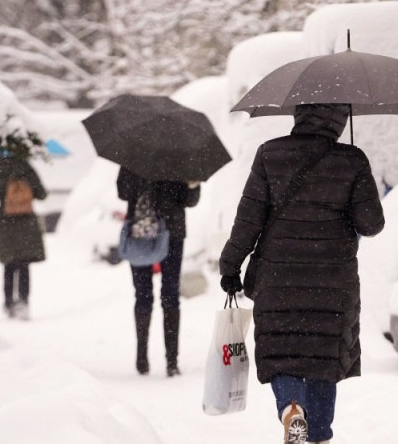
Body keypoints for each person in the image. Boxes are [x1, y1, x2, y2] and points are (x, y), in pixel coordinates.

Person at [219, 104, 384, 444]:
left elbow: (248, 218)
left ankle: (291, 409)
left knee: (284, 353)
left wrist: (230, 264)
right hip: (332, 282)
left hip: (277, 277)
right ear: (340, 120)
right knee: (323, 356)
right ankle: (320, 434)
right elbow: (372, 225)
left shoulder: (270, 154)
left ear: (299, 114)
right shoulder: (352, 160)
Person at [117, 168, 200, 377]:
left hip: (143, 230)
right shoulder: (179, 158)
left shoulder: (133, 156)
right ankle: (170, 362)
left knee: (145, 295)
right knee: (169, 297)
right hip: (170, 231)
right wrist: (191, 184)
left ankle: (144, 358)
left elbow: (123, 192)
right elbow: (189, 200)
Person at [0, 155, 47, 320]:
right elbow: (42, 194)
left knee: (9, 265)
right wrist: (28, 177)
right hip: (26, 223)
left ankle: (9, 303)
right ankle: (23, 302)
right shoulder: (26, 168)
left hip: (6, 223)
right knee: (23, 265)